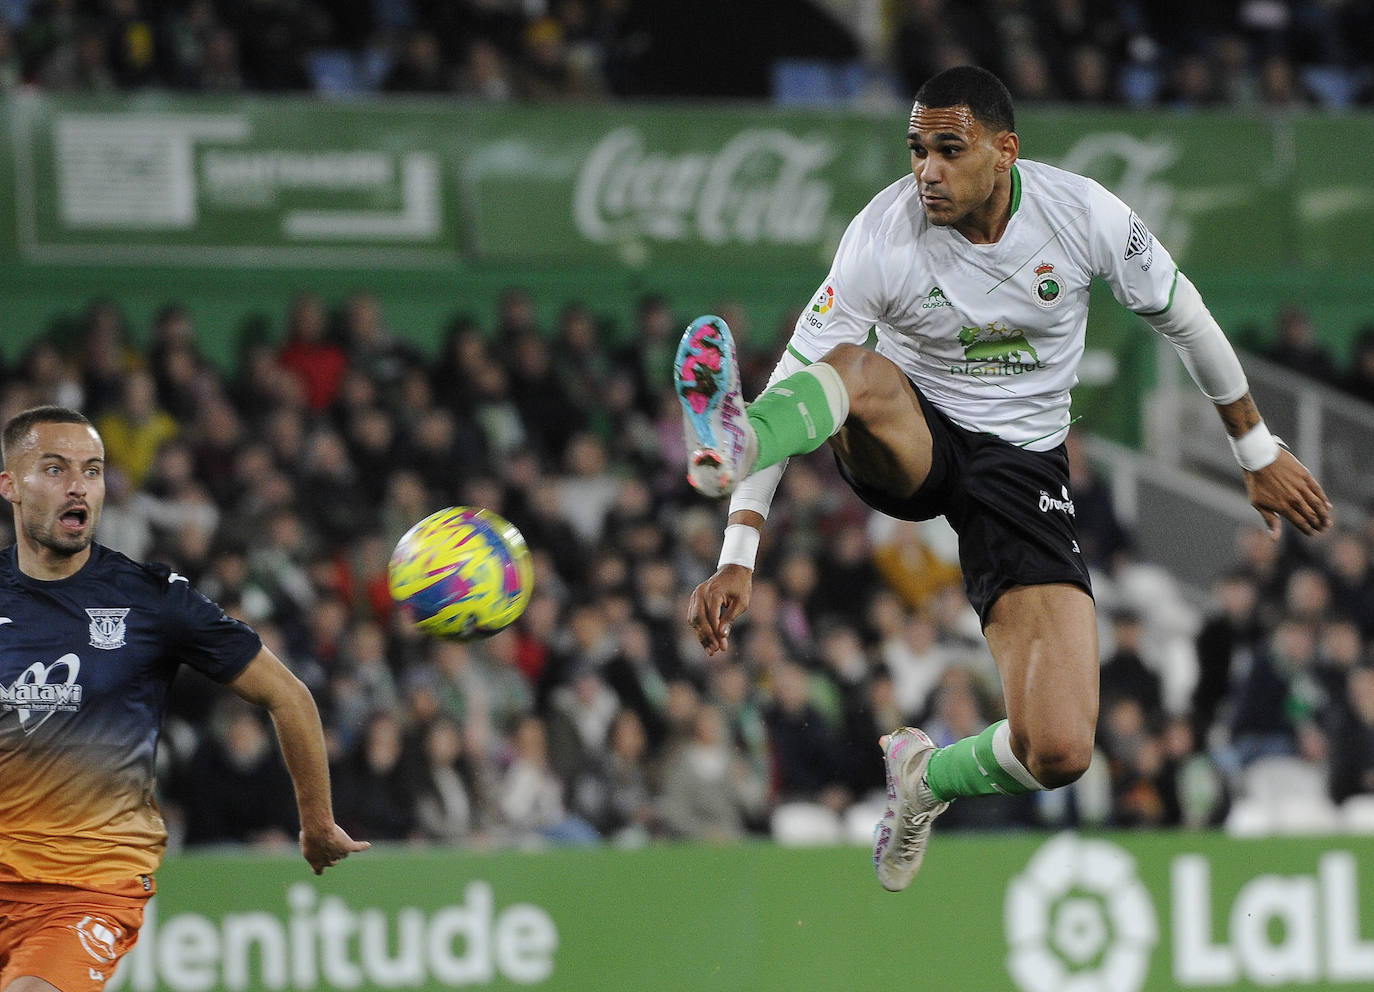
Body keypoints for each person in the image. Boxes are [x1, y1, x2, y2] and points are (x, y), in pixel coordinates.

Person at [674, 65, 1332, 893]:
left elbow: (1183, 316)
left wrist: (1256, 450)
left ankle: (924, 781)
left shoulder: (1084, 215)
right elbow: (801, 372)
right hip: (914, 436)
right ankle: (733, 444)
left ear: (1005, 152)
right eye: (917, 149)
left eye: (949, 150)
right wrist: (741, 547)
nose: (927, 170)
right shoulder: (883, 233)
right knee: (854, 370)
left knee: (1059, 747)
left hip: (1023, 468)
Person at [0, 406, 368, 992]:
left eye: (92, 471)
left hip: (87, 888)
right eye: (54, 468)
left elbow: (289, 696)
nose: (78, 486)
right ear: (10, 486)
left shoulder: (150, 600)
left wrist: (317, 821)